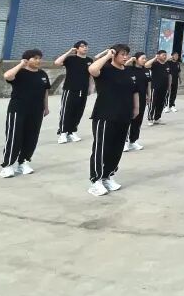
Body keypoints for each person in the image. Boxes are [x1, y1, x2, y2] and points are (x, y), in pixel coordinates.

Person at [87, 44, 139, 196]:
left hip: (124, 116)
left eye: (127, 54)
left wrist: (136, 108)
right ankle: (96, 181)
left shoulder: (128, 71)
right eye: (122, 54)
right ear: (114, 55)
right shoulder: (105, 70)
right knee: (102, 148)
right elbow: (92, 69)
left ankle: (107, 176)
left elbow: (134, 91)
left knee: (117, 148)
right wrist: (107, 55)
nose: (125, 57)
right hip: (105, 115)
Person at [0, 49, 51, 178]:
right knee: (14, 137)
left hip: (36, 110)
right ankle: (8, 165)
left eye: (39, 58)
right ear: (27, 59)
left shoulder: (42, 74)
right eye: (35, 58)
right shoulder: (20, 72)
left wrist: (46, 107)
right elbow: (7, 76)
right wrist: (21, 64)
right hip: (18, 109)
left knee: (31, 137)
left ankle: (23, 162)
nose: (38, 60)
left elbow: (45, 91)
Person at [53, 41, 91, 144]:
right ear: (77, 49)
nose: (85, 48)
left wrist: (90, 87)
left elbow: (90, 75)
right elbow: (57, 62)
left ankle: (71, 131)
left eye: (86, 46)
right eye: (82, 46)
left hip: (83, 89)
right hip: (70, 89)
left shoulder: (89, 60)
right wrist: (69, 52)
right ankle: (63, 132)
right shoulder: (70, 59)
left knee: (78, 111)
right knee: (66, 111)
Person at [124, 53, 151, 152]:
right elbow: (121, 67)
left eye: (145, 58)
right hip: (129, 98)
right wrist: (130, 60)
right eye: (143, 58)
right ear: (136, 59)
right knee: (127, 121)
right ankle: (124, 142)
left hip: (142, 98)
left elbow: (148, 84)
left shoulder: (146, 70)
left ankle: (133, 141)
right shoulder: (129, 69)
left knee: (138, 121)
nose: (145, 60)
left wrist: (149, 95)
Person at [145, 50, 170, 125]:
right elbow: (146, 65)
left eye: (165, 55)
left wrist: (169, 86)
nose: (165, 56)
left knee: (161, 103)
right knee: (153, 103)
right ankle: (150, 119)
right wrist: (155, 58)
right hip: (155, 87)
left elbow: (168, 75)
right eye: (163, 55)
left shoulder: (166, 64)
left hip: (164, 88)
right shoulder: (155, 64)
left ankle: (157, 118)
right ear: (158, 55)